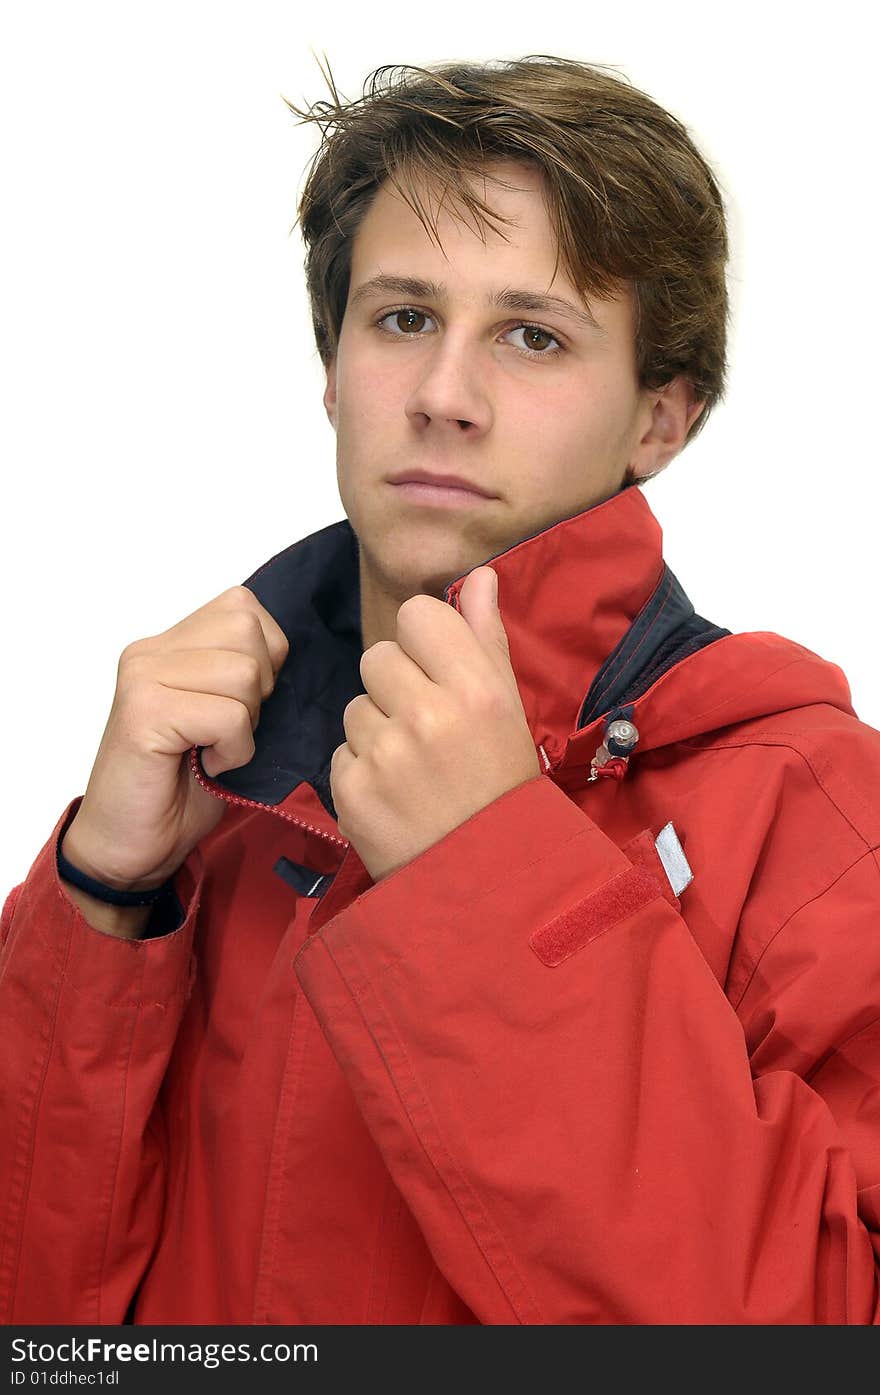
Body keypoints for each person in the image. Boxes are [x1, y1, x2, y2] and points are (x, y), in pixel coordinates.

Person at [2, 53, 879, 1328]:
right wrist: (101, 901)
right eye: (402, 317)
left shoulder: (814, 813)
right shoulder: (204, 790)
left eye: (533, 335)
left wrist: (486, 875)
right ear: (332, 366)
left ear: (659, 421)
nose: (442, 398)